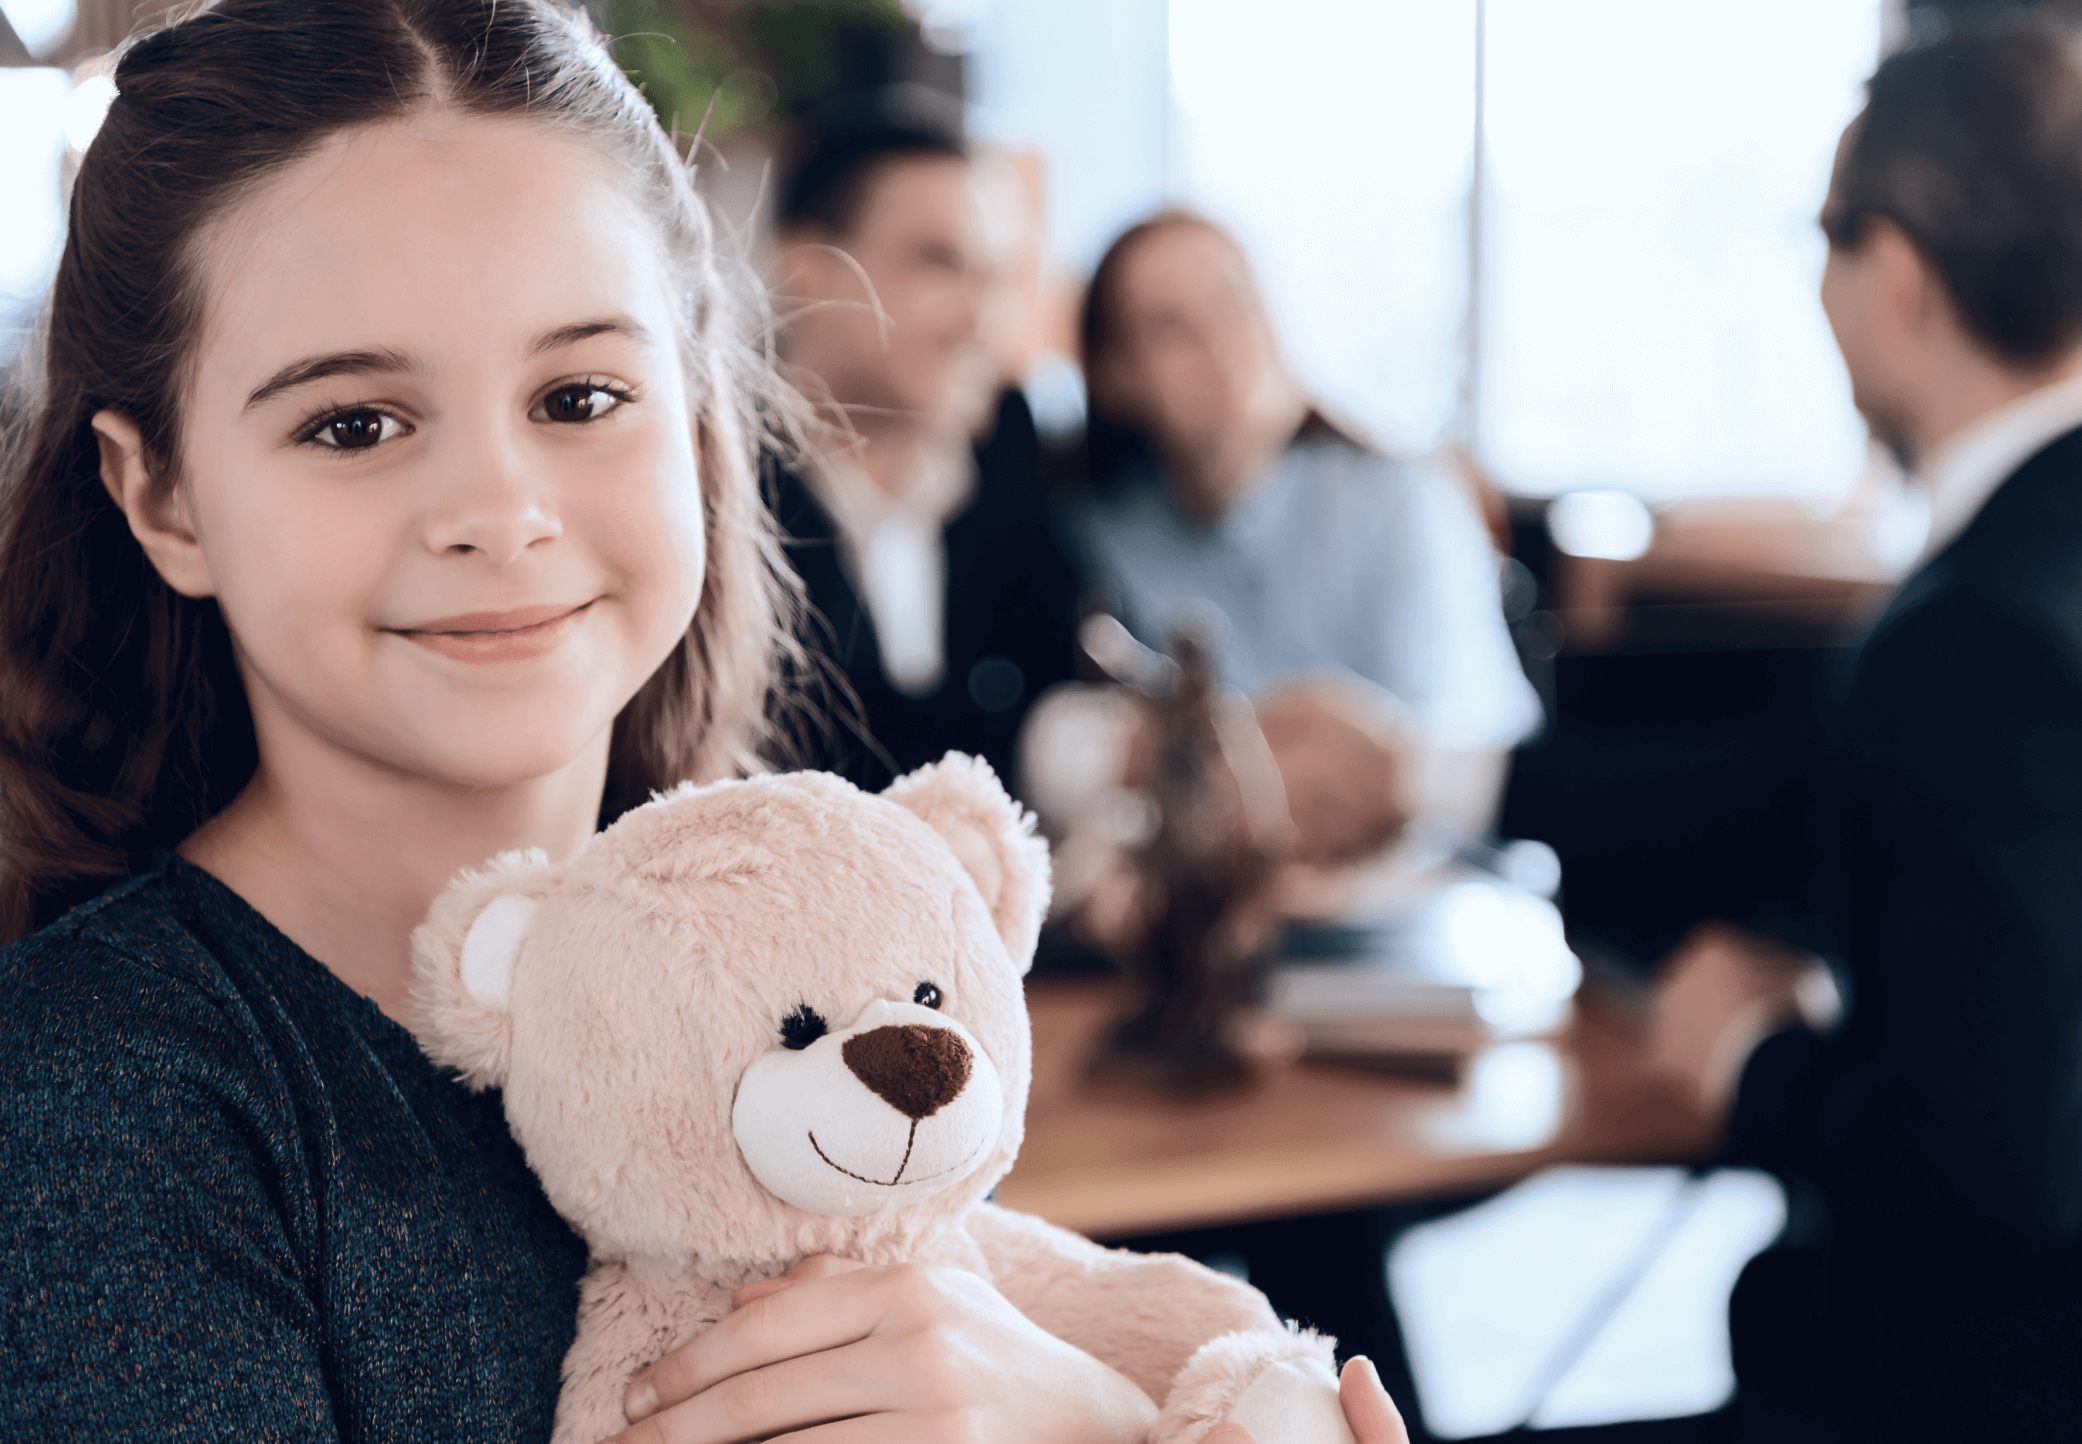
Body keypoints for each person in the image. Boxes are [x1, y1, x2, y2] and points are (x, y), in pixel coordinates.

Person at [0, 1, 1404, 1438]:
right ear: (161, 495)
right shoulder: (102, 1096)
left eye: (581, 393)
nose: (502, 512)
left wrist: (1099, 1416)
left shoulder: (800, 949)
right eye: (353, 422)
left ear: (693, 416)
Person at [1649, 21, 2082, 1438]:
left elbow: (2007, 1170)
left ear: (1890, 273)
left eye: (1821, 244)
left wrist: (1752, 1058)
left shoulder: (1974, 632)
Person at [1070, 212, 1542, 858]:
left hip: (1409, 884)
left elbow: (1472, 758)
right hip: (1210, 891)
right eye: (1171, 327)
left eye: (1235, 300)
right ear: (1115, 374)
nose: (1221, 340)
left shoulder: (1400, 500)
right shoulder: (1100, 531)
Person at [767, 91, 1083, 795]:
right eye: (940, 263)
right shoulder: (699, 486)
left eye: (1000, 276)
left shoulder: (1022, 462)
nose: (983, 316)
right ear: (806, 269)